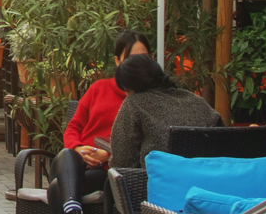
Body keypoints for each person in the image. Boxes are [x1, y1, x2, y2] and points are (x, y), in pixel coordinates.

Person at [47, 30, 149, 208]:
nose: (138, 65)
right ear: (117, 61)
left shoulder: (147, 99)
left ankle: (72, 207)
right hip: (75, 161)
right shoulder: (98, 88)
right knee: (67, 155)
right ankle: (72, 204)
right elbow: (73, 127)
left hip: (108, 170)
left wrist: (107, 155)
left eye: (144, 58)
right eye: (131, 58)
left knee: (57, 188)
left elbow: (143, 143)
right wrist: (79, 149)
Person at [107, 54, 223, 169]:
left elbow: (122, 162)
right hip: (206, 179)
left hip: (157, 182)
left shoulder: (134, 103)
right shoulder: (196, 100)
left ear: (130, 87)